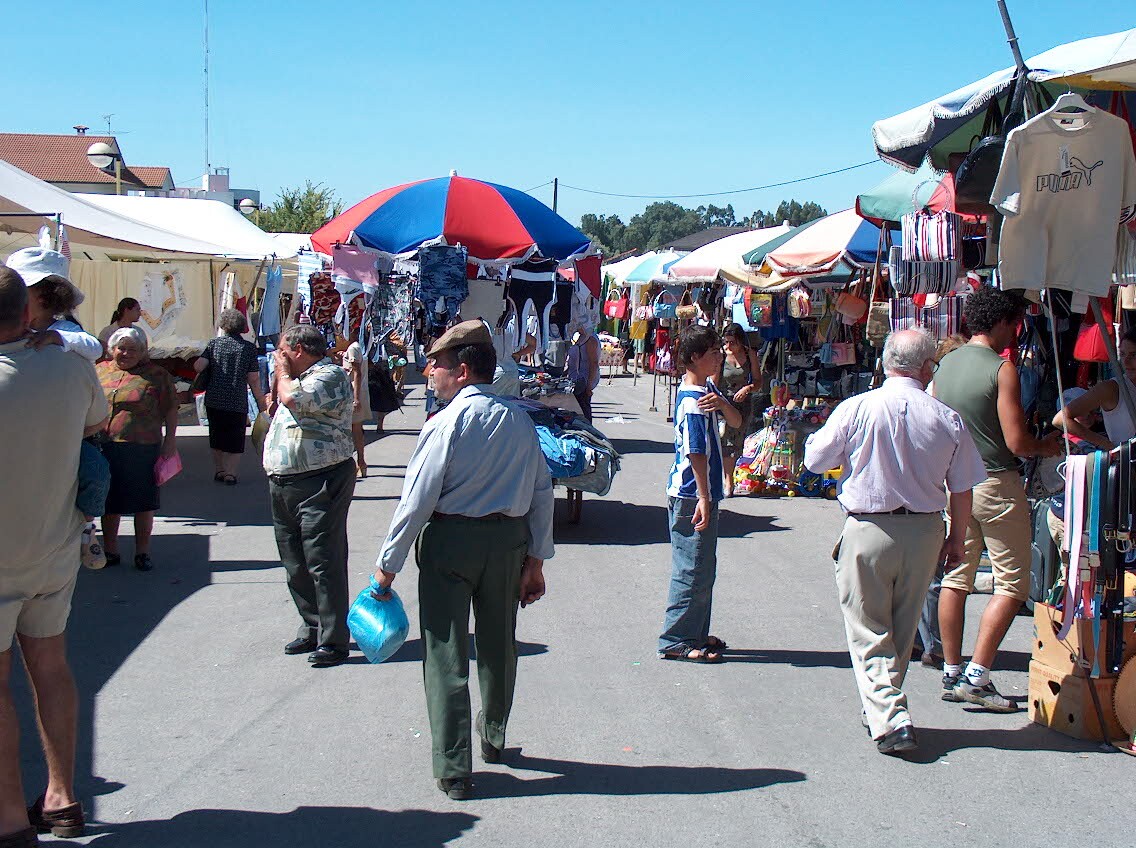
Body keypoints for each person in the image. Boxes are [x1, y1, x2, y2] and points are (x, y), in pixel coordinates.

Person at [371, 320, 554, 801]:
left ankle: (454, 767)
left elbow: (418, 499)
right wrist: (536, 560)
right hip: (508, 544)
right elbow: (541, 492)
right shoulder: (519, 420)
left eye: (439, 365)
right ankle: (493, 734)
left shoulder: (445, 423)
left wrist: (387, 565)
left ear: (463, 370)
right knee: (498, 644)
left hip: (451, 542)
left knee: (445, 650)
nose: (430, 372)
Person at [804, 330, 986, 755]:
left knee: (868, 628)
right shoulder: (946, 417)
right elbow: (962, 488)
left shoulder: (858, 408)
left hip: (869, 529)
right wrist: (957, 539)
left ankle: (891, 716)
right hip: (924, 531)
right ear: (927, 369)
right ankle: (882, 709)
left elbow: (816, 460)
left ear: (886, 362)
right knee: (902, 630)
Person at [0, 265, 108, 843]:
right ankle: (62, 798)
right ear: (27, 313)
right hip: (53, 547)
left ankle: (11, 816)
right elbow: (96, 420)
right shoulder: (71, 365)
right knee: (52, 669)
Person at [932, 287, 1062, 711]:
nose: (1016, 333)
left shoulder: (945, 365)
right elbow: (1018, 441)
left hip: (956, 486)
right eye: (1015, 324)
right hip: (996, 483)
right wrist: (1051, 446)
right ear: (1003, 322)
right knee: (1013, 582)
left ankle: (952, 670)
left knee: (956, 577)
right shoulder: (1001, 369)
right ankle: (978, 674)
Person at [264, 325, 356, 668]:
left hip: (320, 479)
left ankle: (334, 640)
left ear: (298, 349)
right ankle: (312, 625)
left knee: (323, 559)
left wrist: (283, 375)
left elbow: (294, 400)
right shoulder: (296, 378)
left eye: (282, 351)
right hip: (284, 480)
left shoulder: (329, 375)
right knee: (294, 560)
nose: (278, 357)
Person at [658, 325, 742, 664]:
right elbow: (696, 452)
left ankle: (694, 631)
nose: (719, 357)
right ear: (695, 357)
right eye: (712, 353)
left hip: (701, 492)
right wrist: (705, 497)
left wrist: (722, 403)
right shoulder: (693, 402)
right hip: (692, 493)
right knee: (691, 567)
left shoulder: (705, 390)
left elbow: (735, 422)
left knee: (703, 565)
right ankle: (676, 638)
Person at [97, 328, 178, 572]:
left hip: (141, 446)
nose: (126, 353)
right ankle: (110, 550)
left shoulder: (157, 375)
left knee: (143, 501)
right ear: (112, 349)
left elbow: (171, 409)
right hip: (104, 444)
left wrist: (170, 441)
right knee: (109, 501)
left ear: (143, 352)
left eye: (133, 349)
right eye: (122, 348)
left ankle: (142, 552)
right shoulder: (99, 370)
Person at [194, 309, 266, 486]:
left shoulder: (214, 344)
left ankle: (219, 469)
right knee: (235, 437)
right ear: (242, 327)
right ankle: (230, 473)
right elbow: (253, 379)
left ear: (223, 325)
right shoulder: (249, 349)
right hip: (236, 399)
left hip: (214, 398)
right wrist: (261, 402)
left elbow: (198, 366)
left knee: (216, 435)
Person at [1051, 327, 1136, 450]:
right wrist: (1106, 444)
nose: (1126, 362)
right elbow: (1061, 419)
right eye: (1122, 354)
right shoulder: (1111, 388)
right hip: (1127, 463)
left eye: (1133, 355)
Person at [718, 323, 762, 496]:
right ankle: (728, 481)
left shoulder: (750, 355)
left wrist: (747, 388)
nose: (729, 346)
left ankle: (731, 476)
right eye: (726, 342)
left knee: (738, 442)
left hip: (744, 404)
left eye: (732, 343)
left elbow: (758, 381)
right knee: (727, 441)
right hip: (725, 403)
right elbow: (714, 381)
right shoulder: (721, 356)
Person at [340, 325, 371, 478]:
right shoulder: (358, 347)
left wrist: (356, 398)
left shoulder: (353, 348)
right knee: (356, 430)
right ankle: (360, 462)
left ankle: (359, 462)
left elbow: (357, 373)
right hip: (357, 392)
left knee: (354, 431)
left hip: (353, 393)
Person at [565, 321, 600, 422]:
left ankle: (588, 431)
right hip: (575, 378)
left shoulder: (590, 340)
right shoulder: (580, 337)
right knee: (576, 408)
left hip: (583, 379)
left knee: (583, 408)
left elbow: (593, 363)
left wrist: (589, 385)